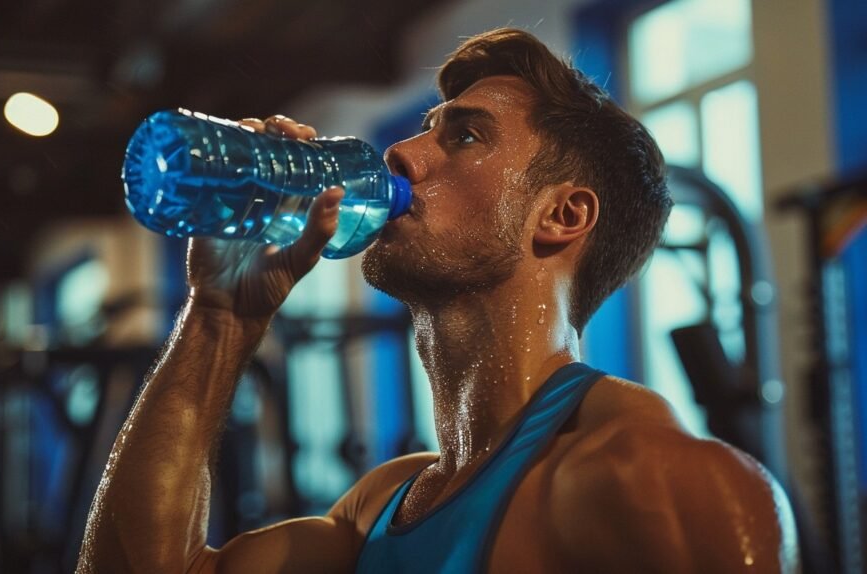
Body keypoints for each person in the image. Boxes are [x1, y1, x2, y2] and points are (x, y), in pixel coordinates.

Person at [76, 28, 798, 573]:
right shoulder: (377, 512)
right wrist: (218, 320)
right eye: (425, 129)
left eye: (466, 136)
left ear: (561, 216)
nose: (401, 155)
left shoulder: (653, 478)